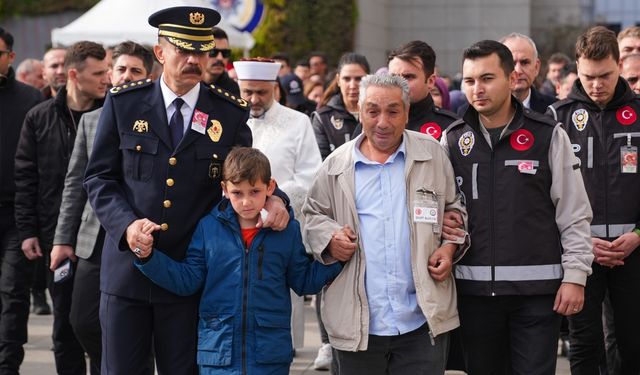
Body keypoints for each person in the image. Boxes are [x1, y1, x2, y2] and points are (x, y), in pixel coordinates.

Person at [83, 7, 290, 374]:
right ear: (161, 53)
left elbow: (248, 175)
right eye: (184, 50)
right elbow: (100, 177)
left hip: (190, 275)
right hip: (127, 271)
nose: (194, 59)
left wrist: (275, 199)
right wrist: (127, 226)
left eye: (202, 51)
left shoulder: (227, 113)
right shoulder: (124, 103)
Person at [442, 39, 593, 375]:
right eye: (469, 81)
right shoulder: (452, 141)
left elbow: (574, 212)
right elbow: (445, 211)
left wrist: (576, 277)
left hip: (537, 295)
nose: (477, 89)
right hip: (474, 293)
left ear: (511, 79)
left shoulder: (548, 136)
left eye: (487, 78)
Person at [303, 73, 469, 375]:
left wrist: (448, 248)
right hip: (357, 326)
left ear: (407, 112)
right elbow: (311, 217)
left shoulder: (431, 154)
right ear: (359, 111)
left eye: (393, 111)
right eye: (373, 111)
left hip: (422, 322)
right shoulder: (336, 166)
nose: (383, 122)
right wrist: (330, 238)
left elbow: (455, 210)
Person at [133, 147, 341, 374]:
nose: (246, 202)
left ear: (270, 187)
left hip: (269, 356)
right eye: (237, 193)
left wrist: (336, 258)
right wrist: (149, 258)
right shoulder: (208, 228)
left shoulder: (286, 231)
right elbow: (188, 280)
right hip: (218, 355)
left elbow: (303, 281)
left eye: (254, 191)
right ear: (224, 189)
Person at [50, 41, 154, 375]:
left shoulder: (157, 119)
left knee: (125, 323)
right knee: (82, 321)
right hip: (93, 239)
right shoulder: (92, 120)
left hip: (137, 237)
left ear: (149, 76)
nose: (126, 76)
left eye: (135, 70)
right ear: (110, 73)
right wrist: (62, 240)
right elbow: (75, 183)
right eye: (121, 69)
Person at [547, 25, 640, 375]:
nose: (597, 85)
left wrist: (637, 235)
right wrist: (580, 240)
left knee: (631, 343)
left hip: (632, 251)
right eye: (588, 76)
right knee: (584, 345)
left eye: (605, 75)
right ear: (577, 67)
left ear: (620, 65)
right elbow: (546, 194)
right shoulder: (557, 118)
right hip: (580, 251)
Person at [15, 40, 109, 375]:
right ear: (73, 74)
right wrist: (28, 231)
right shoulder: (39, 117)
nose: (107, 78)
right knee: (66, 325)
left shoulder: (112, 114)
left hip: (101, 238)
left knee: (99, 325)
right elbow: (25, 179)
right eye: (99, 72)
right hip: (56, 236)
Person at [234, 58, 322, 357]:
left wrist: (274, 200)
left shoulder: (298, 122)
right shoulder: (227, 118)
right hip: (232, 227)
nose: (254, 100)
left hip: (278, 223)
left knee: (280, 298)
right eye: (248, 92)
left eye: (262, 92)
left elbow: (310, 175)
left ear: (275, 88)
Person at [0, 26, 44, 375]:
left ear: (10, 57)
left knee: (14, 296)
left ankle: (8, 367)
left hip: (17, 213)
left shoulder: (30, 99)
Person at [357, 40, 459, 141]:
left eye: (408, 77)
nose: (400, 83)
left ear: (430, 81)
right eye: (394, 77)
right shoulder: (371, 122)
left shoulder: (451, 128)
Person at [312, 52, 370, 159]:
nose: (352, 85)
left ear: (368, 79)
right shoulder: (323, 118)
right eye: (347, 79)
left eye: (358, 79)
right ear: (338, 80)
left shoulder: (380, 115)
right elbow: (321, 163)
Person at [500, 33, 556, 113]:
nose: (518, 71)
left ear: (536, 67)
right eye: (511, 63)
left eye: (525, 63)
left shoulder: (555, 110)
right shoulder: (484, 111)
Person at [202, 27, 239, 95]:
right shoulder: (189, 85)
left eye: (225, 53)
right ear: (201, 53)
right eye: (213, 52)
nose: (220, 58)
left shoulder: (234, 91)